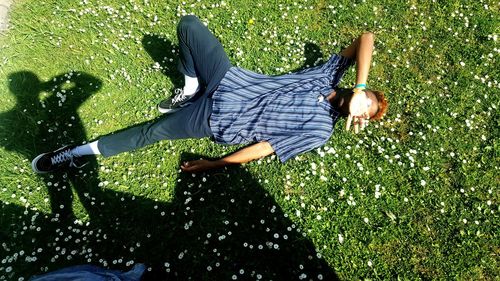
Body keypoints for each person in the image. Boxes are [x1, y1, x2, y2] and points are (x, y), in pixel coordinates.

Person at [31, 15, 387, 174]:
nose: (363, 104)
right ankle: (189, 88)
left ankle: (74, 153)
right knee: (188, 25)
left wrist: (215, 164)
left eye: (366, 110)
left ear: (356, 119)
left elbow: (264, 149)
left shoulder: (319, 131)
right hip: (228, 80)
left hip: (217, 120)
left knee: (152, 131)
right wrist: (358, 87)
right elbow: (366, 38)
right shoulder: (327, 76)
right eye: (367, 98)